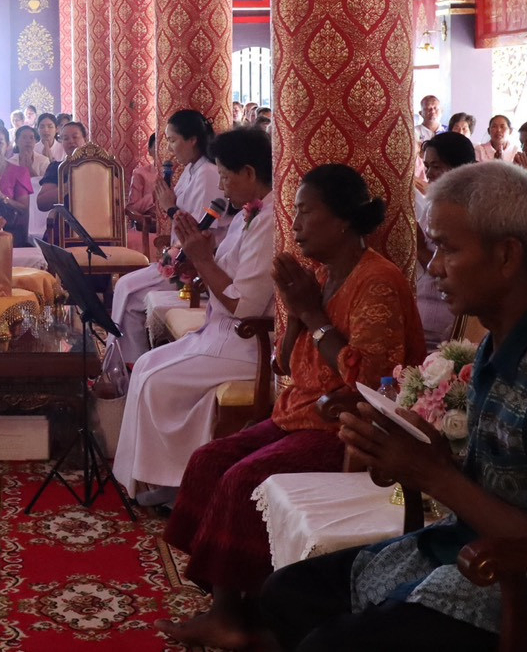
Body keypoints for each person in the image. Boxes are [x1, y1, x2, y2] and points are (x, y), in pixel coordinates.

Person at [261, 161, 527, 652]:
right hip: (483, 551)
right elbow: (508, 484)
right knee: (286, 594)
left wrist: (435, 474)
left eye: (448, 249)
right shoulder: (499, 348)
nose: (433, 267)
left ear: (505, 256)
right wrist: (421, 453)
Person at [157, 164, 422, 649]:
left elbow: (367, 382)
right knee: (208, 460)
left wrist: (311, 314)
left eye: (305, 212)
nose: (294, 223)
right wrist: (297, 309)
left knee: (240, 480)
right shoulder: (320, 273)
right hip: (298, 413)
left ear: (342, 220)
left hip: (342, 428)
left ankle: (241, 616)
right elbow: (283, 361)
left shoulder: (377, 281)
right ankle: (240, 605)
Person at [113, 128, 277, 506]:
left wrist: (201, 257)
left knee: (157, 379)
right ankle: (156, 478)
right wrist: (196, 263)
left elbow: (246, 306)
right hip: (218, 331)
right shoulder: (247, 215)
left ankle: (177, 486)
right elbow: (225, 270)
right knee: (147, 365)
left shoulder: (266, 221)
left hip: (244, 343)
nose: (221, 184)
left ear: (249, 174)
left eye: (225, 175)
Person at [112, 110, 223, 363]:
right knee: (125, 289)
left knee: (127, 290)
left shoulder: (208, 173)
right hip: (178, 252)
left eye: (173, 140)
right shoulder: (192, 170)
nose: (170, 148)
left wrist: (170, 206)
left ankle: (130, 363)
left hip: (194, 262)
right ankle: (123, 361)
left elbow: (198, 229)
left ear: (192, 139)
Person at [415, 131, 477, 342]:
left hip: (446, 320)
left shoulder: (467, 208)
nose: (429, 173)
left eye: (437, 166)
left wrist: (420, 249)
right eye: (427, 166)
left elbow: (453, 270)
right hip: (425, 310)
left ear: (461, 168)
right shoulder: (435, 203)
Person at [34, 120, 89, 213]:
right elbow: (41, 203)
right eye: (66, 139)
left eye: (75, 137)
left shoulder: (99, 167)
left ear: (85, 140)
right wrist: (68, 186)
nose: (71, 141)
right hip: (65, 223)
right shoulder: (57, 168)